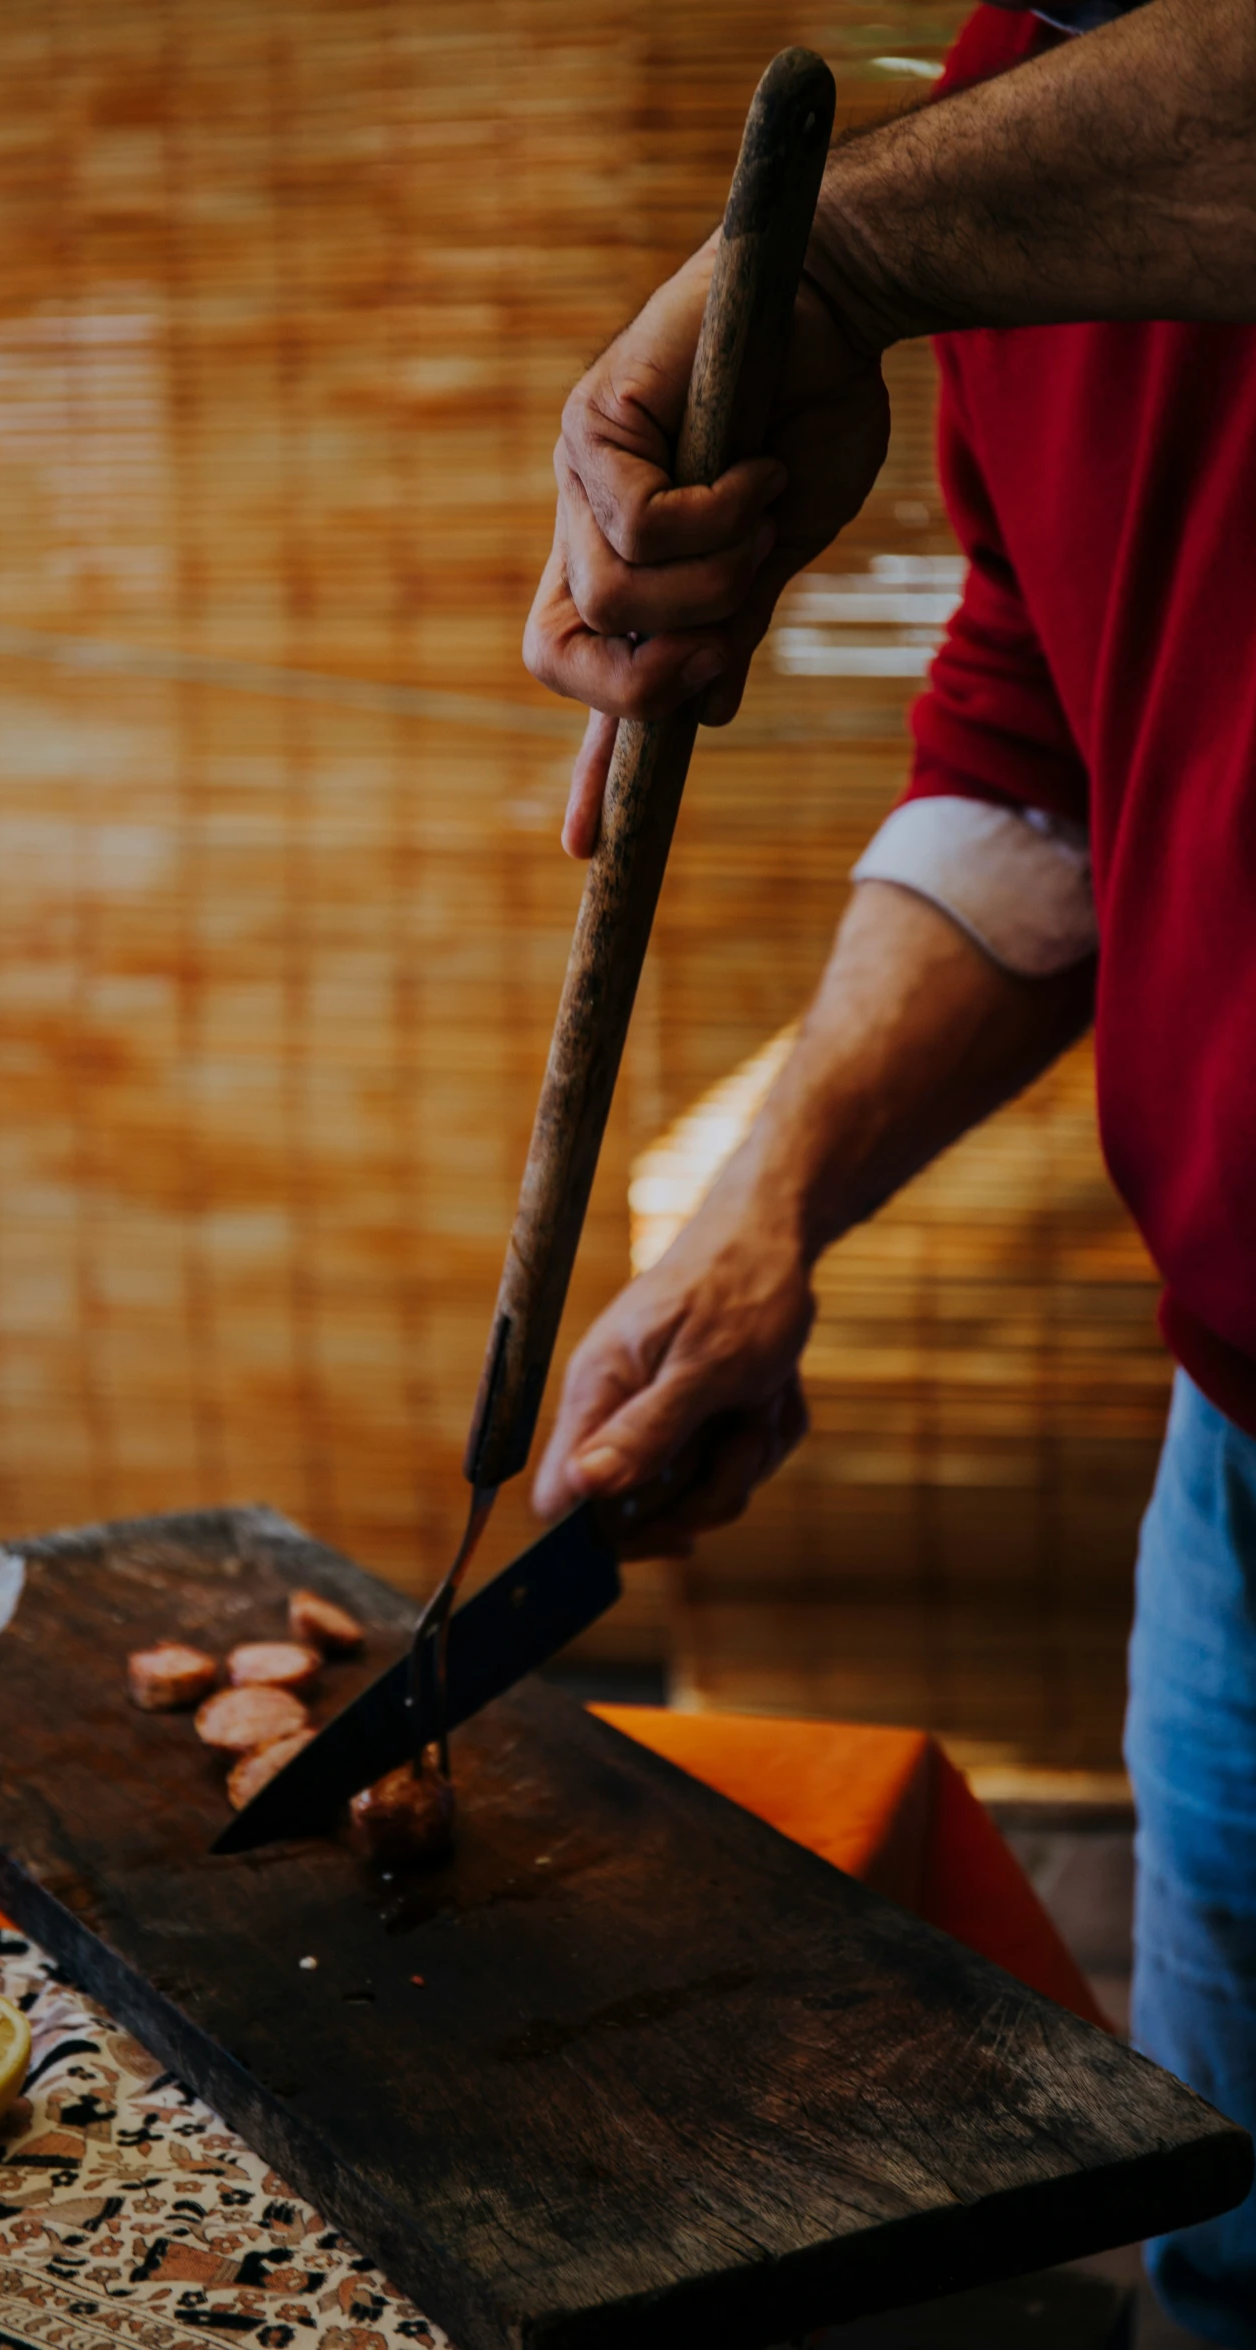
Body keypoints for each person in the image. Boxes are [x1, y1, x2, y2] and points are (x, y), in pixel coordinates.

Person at [523, 1, 1256, 2338]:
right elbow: (1047, 743)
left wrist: (838, 262)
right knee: (1227, 2270)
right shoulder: (1018, 77)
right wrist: (764, 1211)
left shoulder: (945, 196)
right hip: (1242, 1457)